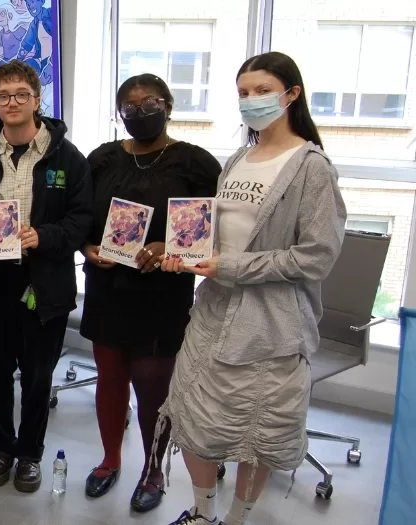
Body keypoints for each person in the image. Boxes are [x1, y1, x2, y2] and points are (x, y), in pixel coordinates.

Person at [159, 52, 346, 525]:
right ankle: (203, 513)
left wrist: (232, 266)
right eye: (243, 92)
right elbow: (224, 236)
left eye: (262, 91)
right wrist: (188, 251)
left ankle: (237, 520)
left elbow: (316, 256)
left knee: (257, 430)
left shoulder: (312, 168)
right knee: (193, 413)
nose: (250, 100)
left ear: (292, 95)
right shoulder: (239, 158)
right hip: (213, 312)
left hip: (270, 327)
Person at [79, 74, 221, 512]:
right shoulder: (102, 159)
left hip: (161, 293)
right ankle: (110, 460)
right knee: (110, 379)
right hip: (107, 288)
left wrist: (167, 246)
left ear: (168, 107)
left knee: (153, 389)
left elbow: (211, 231)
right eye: (129, 107)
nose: (139, 113)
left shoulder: (196, 164)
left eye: (150, 104)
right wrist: (87, 247)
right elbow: (80, 216)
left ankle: (153, 470)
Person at [0, 60, 93, 493]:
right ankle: (0, 447)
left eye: (21, 94)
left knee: (37, 376)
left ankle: (30, 454)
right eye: (2, 96)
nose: (12, 102)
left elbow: (82, 220)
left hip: (44, 283)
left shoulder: (68, 159)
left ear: (37, 100)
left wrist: (43, 236)